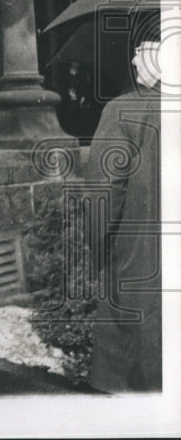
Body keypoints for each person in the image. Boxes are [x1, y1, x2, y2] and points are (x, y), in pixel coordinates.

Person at [87, 23, 162, 393]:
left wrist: (96, 250)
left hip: (139, 267)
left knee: (133, 379)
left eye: (142, 50)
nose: (133, 59)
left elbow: (102, 197)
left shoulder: (124, 111)